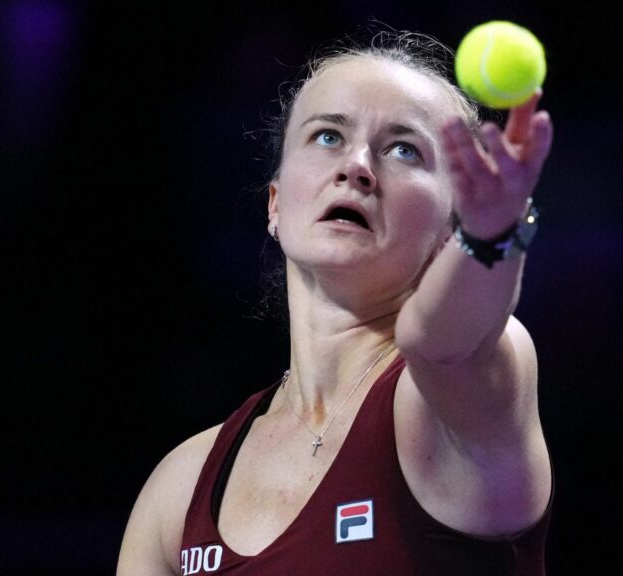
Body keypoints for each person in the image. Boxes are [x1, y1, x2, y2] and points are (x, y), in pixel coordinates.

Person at [118, 29, 554, 575]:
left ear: (452, 228)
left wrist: (492, 236)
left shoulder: (458, 392)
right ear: (275, 204)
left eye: (404, 149)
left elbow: (444, 345)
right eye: (328, 137)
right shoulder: (179, 490)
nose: (358, 167)